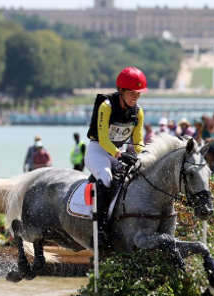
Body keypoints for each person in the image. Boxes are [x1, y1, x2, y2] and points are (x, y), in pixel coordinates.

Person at [85, 66, 146, 245]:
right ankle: (98, 229)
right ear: (121, 90)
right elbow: (103, 139)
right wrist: (120, 155)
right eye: (132, 93)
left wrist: (144, 157)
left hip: (119, 153)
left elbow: (138, 141)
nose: (135, 97)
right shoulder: (106, 106)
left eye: (138, 94)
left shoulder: (138, 112)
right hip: (98, 150)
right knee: (106, 177)